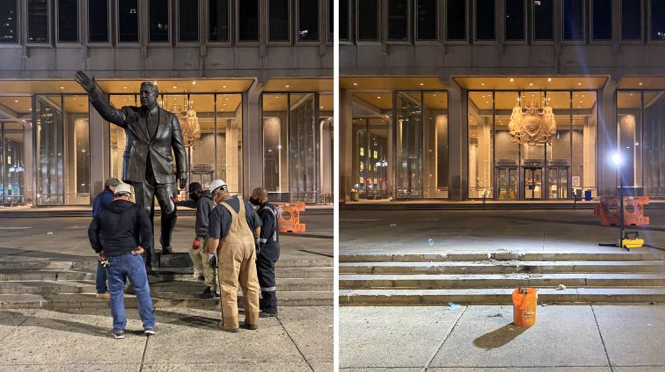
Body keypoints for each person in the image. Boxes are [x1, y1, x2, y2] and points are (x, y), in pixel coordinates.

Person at [75, 70, 188, 270]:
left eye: (147, 93)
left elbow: (179, 146)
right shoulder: (130, 114)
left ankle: (166, 242)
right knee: (144, 213)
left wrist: (183, 172)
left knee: (170, 209)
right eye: (141, 92)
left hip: (164, 171)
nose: (143, 96)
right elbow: (109, 112)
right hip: (139, 170)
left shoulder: (170, 118)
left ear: (156, 96)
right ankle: (148, 253)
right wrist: (94, 92)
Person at [88, 183, 158, 339]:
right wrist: (143, 246)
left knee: (116, 293)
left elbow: (92, 231)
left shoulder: (104, 211)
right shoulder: (136, 209)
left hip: (112, 257)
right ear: (128, 195)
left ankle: (119, 328)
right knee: (142, 291)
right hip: (132, 255)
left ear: (115, 196)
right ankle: (149, 325)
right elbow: (147, 227)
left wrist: (99, 249)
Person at [207, 179, 262, 332]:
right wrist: (254, 242)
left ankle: (231, 323)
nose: (214, 199)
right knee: (251, 284)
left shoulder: (218, 210)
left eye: (213, 196)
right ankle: (253, 321)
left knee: (229, 287)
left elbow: (214, 238)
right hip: (249, 246)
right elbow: (257, 229)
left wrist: (211, 254)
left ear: (217, 192)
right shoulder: (246, 204)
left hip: (230, 249)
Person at [175, 182, 218, 298]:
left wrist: (198, 237)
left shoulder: (203, 201)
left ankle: (211, 288)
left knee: (206, 260)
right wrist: (178, 202)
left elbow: (203, 221)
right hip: (209, 234)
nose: (191, 195)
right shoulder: (204, 199)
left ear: (196, 191)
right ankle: (205, 275)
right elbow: (193, 203)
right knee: (194, 253)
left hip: (206, 235)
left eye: (191, 193)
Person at [250, 187, 281, 318]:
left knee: (267, 279)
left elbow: (264, 234)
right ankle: (267, 303)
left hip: (267, 250)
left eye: (254, 196)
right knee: (264, 278)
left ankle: (271, 308)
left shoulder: (266, 211)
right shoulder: (269, 209)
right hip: (270, 249)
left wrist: (257, 248)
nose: (252, 198)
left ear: (260, 196)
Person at [91, 177, 120, 300]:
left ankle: (103, 287)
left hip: (101, 232)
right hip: (105, 233)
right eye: (117, 187)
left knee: (104, 260)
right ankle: (101, 289)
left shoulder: (101, 196)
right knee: (104, 261)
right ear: (111, 186)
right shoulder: (108, 198)